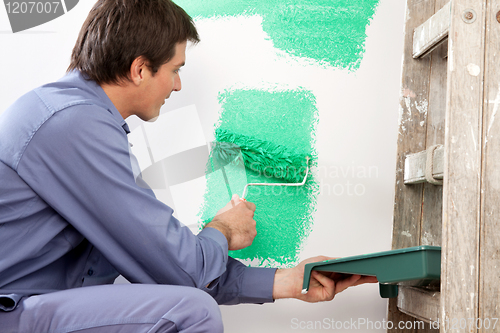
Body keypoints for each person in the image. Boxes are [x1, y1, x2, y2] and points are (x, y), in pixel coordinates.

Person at [0, 0, 376, 332]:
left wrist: (290, 280)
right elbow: (184, 272)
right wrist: (223, 230)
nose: (177, 85)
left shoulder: (77, 119)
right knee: (192, 311)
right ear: (140, 69)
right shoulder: (73, 126)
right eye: (175, 69)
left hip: (31, 307)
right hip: (12, 312)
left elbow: (165, 259)